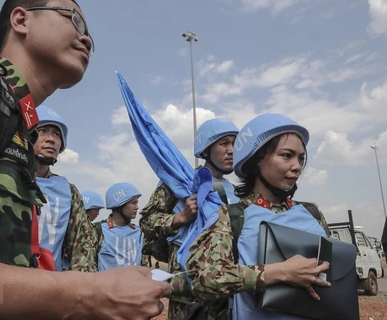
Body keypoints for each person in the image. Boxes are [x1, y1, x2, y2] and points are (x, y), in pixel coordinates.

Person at [0, 1, 171, 319]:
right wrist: (82, 295)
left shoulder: (16, 125)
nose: (87, 38)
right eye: (73, 19)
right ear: (21, 19)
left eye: (90, 33)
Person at [184, 113, 331, 319]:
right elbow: (204, 280)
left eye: (301, 158)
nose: (297, 166)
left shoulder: (312, 213)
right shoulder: (230, 217)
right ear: (256, 161)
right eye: (286, 155)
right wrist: (280, 272)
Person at [140, 118, 240, 320]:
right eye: (224, 143)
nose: (231, 150)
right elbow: (147, 221)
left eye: (235, 143)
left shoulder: (237, 193)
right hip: (188, 296)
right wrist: (181, 217)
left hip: (226, 293)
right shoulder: (180, 184)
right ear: (206, 150)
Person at [33, 105, 97, 272]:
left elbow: (82, 247)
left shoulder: (68, 192)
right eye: (42, 131)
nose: (51, 139)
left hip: (51, 287)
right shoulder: (7, 179)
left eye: (56, 134)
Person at [97, 182, 144, 271]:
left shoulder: (139, 232)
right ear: (119, 206)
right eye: (133, 203)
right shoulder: (99, 231)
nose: (137, 207)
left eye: (137, 203)